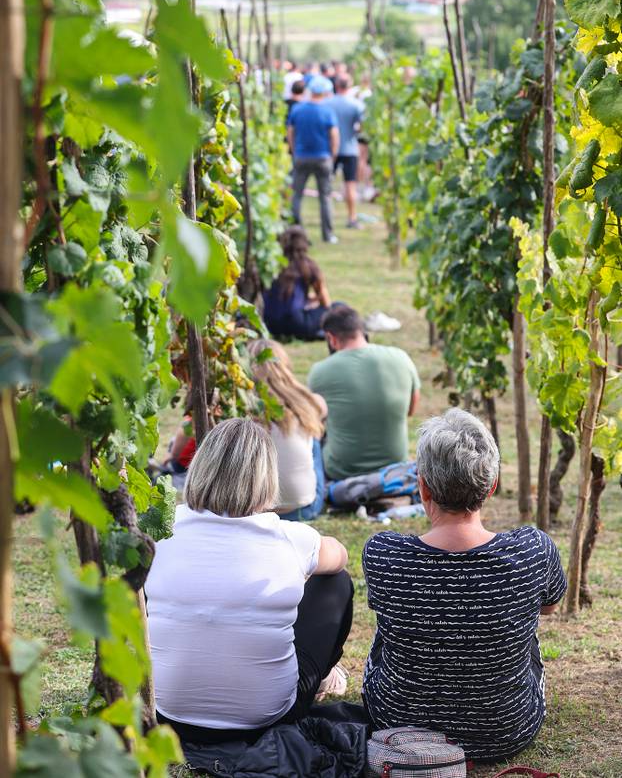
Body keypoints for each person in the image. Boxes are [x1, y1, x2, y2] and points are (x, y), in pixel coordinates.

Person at [362, 408, 568, 764]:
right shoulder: (534, 550)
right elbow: (548, 607)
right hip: (506, 731)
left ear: (422, 486)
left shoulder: (382, 554)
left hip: (398, 725)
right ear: (492, 484)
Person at [146, 418, 352, 745]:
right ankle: (322, 676)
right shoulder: (289, 538)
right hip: (267, 717)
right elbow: (340, 556)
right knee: (336, 583)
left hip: (170, 715)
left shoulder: (162, 531)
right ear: (265, 477)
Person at [308, 305, 420, 479]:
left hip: (341, 472)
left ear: (331, 338)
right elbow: (411, 410)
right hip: (395, 467)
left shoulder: (320, 371)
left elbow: (315, 421)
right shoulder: (402, 358)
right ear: (362, 331)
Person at [249, 338, 327, 520]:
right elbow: (322, 409)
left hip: (255, 511)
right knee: (312, 436)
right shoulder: (306, 402)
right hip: (305, 508)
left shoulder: (243, 407)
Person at [288, 75, 339, 244]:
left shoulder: (298, 109)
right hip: (322, 157)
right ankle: (328, 234)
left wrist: (295, 151)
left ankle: (296, 231)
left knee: (297, 195)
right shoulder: (327, 111)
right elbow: (334, 136)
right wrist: (332, 155)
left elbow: (290, 132)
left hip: (301, 156)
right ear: (324, 92)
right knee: (325, 197)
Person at [263, 226, 333, 340]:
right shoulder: (308, 266)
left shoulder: (272, 264)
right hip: (297, 324)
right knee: (337, 306)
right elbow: (326, 303)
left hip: (270, 324)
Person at [329, 76, 365, 228]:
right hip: (350, 148)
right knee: (350, 185)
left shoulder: (327, 103)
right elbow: (362, 126)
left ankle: (328, 217)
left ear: (336, 86)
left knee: (327, 184)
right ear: (349, 87)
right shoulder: (356, 105)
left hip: (331, 149)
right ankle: (351, 217)